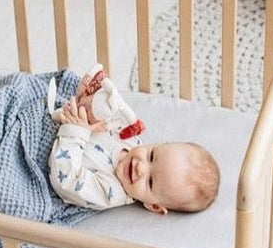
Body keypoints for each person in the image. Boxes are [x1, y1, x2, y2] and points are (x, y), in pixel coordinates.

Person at [48, 75, 220, 215]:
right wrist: (93, 100)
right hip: (56, 118)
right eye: (151, 156)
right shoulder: (131, 139)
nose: (141, 168)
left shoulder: (111, 192)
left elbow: (67, 181)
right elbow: (106, 118)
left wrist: (75, 131)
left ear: (153, 205)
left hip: (46, 151)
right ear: (158, 144)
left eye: (150, 182)